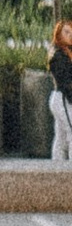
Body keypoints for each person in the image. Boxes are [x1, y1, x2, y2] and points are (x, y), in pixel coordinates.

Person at [51, 19, 72, 165]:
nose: (70, 35)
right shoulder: (59, 55)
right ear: (58, 33)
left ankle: (57, 168)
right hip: (63, 98)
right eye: (66, 32)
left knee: (61, 135)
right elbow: (65, 81)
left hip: (61, 97)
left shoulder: (65, 53)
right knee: (70, 132)